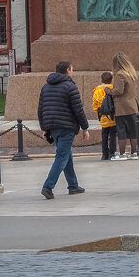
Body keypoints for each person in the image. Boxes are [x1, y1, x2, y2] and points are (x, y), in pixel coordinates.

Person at [37, 61, 90, 199]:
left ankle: (73, 185)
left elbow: (41, 109)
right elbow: (78, 109)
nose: (73, 71)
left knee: (66, 154)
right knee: (61, 156)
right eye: (72, 69)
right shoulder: (70, 87)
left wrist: (44, 128)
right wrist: (85, 127)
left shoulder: (46, 87)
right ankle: (48, 187)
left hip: (53, 126)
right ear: (67, 70)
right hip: (67, 126)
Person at [110, 52, 139, 161]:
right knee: (133, 131)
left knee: (121, 130)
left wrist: (107, 90)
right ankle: (134, 152)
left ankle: (122, 154)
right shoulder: (131, 73)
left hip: (122, 107)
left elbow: (118, 90)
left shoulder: (120, 74)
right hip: (132, 106)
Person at [92, 71, 116, 161]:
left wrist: (98, 113)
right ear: (111, 80)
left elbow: (95, 105)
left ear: (101, 79)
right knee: (113, 134)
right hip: (113, 116)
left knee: (104, 135)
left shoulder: (97, 91)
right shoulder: (113, 88)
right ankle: (112, 153)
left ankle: (104, 154)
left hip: (103, 116)